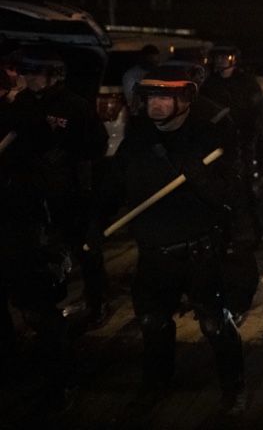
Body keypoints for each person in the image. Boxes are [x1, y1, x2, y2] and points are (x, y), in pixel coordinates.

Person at [88, 66, 247, 421]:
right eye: (150, 98)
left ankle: (234, 389)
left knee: (213, 323)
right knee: (152, 321)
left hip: (200, 251)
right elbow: (112, 188)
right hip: (155, 255)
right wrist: (96, 222)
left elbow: (232, 198)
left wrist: (202, 179)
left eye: (164, 97)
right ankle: (155, 385)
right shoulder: (137, 141)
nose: (156, 105)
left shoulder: (208, 140)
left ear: (186, 99)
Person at [0, 47, 108, 413]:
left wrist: (61, 145)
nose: (29, 80)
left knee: (50, 290)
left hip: (62, 205)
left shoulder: (75, 106)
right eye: (25, 74)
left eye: (37, 74)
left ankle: (63, 376)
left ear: (54, 75)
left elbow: (95, 146)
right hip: (21, 209)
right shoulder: (17, 107)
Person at [200, 44, 263, 242]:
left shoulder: (246, 82)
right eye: (218, 57)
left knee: (247, 189)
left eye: (225, 57)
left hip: (243, 144)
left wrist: (252, 138)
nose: (221, 61)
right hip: (217, 146)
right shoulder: (210, 84)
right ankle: (223, 233)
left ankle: (257, 231)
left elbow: (258, 112)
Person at [122, 44, 161, 112]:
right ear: (143, 59)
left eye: (156, 62)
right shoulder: (131, 75)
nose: (154, 65)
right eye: (150, 62)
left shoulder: (159, 73)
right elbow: (131, 98)